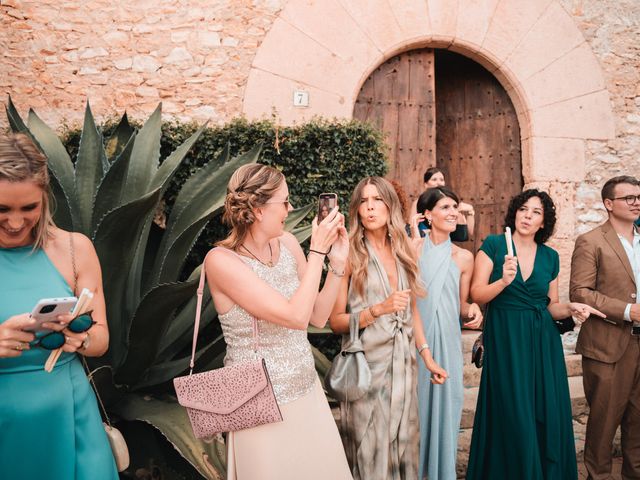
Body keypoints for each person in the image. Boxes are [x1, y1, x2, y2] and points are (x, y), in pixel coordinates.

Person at [204, 163, 352, 480]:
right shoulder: (221, 261)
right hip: (256, 401)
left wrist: (337, 264)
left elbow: (317, 315)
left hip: (305, 391)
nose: (291, 207)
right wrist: (316, 251)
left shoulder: (286, 244)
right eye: (284, 202)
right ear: (258, 210)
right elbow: (294, 317)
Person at [0, 133, 118, 479]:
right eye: (2, 209)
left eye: (29, 208)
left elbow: (101, 339)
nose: (16, 223)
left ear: (45, 199)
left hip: (71, 419)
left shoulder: (74, 249)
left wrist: (78, 339)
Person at [466, 189, 603, 480]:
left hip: (543, 342)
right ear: (514, 213)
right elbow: (476, 293)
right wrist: (503, 281)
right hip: (506, 340)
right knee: (514, 410)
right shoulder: (493, 245)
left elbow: (551, 305)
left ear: (544, 222)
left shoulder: (550, 257)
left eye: (536, 212)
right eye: (523, 209)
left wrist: (570, 307)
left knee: (546, 410)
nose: (527, 216)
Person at [329, 176, 447, 480]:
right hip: (367, 370)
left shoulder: (404, 249)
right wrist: (378, 310)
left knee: (404, 446)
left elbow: (412, 311)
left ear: (389, 205)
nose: (370, 208)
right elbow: (335, 321)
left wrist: (427, 356)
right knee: (370, 451)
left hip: (404, 367)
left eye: (377, 200)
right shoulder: (350, 254)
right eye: (363, 202)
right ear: (356, 209)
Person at [570, 175, 640, 479]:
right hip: (608, 345)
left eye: (639, 196)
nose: (636, 202)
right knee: (603, 423)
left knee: (639, 425)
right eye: (629, 197)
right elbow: (581, 293)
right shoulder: (591, 240)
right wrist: (628, 311)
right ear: (608, 204)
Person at [414, 187, 482, 480]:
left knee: (447, 406)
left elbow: (461, 303)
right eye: (445, 207)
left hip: (448, 340)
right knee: (415, 410)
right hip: (415, 340)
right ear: (427, 215)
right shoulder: (410, 248)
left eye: (455, 206)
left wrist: (473, 308)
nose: (453, 212)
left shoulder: (464, 257)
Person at [411, 167, 475, 241]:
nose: (438, 182)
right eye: (434, 179)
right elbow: (412, 227)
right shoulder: (418, 203)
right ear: (426, 184)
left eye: (441, 180)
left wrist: (470, 212)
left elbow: (466, 234)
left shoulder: (450, 202)